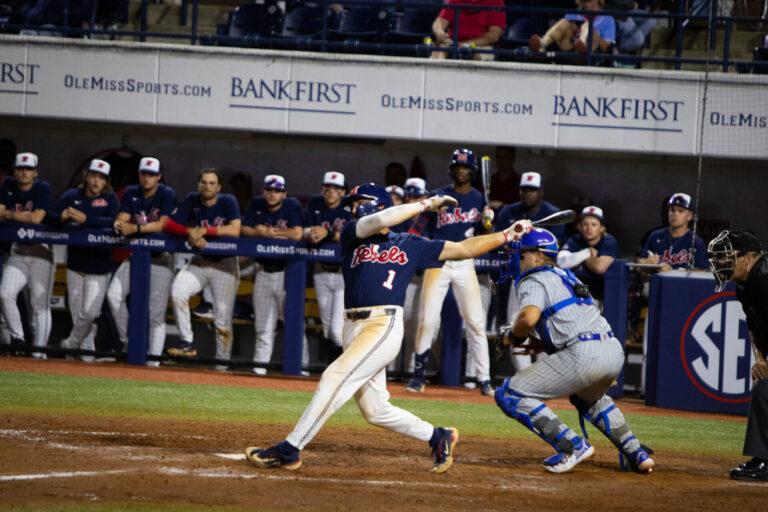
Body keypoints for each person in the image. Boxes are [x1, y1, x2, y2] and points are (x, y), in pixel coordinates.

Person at [244, 183, 531, 472]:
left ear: (380, 203)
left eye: (360, 201)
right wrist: (424, 205)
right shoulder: (353, 234)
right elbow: (380, 219)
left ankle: (289, 449)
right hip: (352, 327)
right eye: (353, 204)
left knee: (334, 376)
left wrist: (506, 235)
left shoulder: (410, 243)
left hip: (383, 325)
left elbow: (463, 248)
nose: (354, 208)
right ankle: (438, 436)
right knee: (375, 410)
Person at [495, 226, 655, 474]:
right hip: (611, 350)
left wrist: (510, 336)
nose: (517, 258)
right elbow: (572, 320)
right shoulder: (567, 276)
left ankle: (571, 445)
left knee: (508, 393)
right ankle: (636, 452)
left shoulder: (533, 277)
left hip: (583, 355)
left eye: (522, 254)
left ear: (538, 256)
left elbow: (528, 318)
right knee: (588, 398)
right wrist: (542, 344)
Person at [406, 149, 496, 396]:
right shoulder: (439, 195)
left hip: (465, 262)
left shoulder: (479, 199)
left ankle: (485, 380)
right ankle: (418, 376)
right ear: (452, 169)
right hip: (439, 260)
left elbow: (484, 237)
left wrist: (488, 223)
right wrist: (410, 247)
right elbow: (420, 226)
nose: (461, 171)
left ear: (472, 171)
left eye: (465, 168)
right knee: (427, 320)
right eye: (457, 167)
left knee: (476, 322)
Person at [163, 168, 241, 368]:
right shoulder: (192, 199)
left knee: (222, 319)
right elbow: (169, 225)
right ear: (199, 185)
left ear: (219, 187)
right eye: (204, 182)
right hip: (201, 261)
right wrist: (191, 231)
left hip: (225, 264)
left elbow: (235, 229)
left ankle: (222, 365)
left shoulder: (228, 201)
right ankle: (187, 341)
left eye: (212, 183)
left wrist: (204, 230)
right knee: (178, 291)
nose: (207, 186)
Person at [707, 230, 768, 481]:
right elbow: (754, 328)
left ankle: (764, 461)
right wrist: (761, 360)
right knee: (763, 387)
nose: (721, 263)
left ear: (747, 258)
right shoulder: (745, 286)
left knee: (765, 390)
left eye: (727, 256)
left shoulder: (764, 281)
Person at [107, 157, 177, 366]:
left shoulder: (167, 193)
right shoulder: (131, 192)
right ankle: (131, 341)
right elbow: (122, 216)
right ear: (139, 174)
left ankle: (153, 361)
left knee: (156, 314)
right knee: (113, 296)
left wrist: (135, 228)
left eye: (151, 174)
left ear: (159, 176)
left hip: (161, 259)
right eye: (144, 173)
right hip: (136, 255)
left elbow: (164, 224)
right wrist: (119, 224)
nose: (147, 178)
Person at [495, 171, 566, 372]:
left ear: (540, 191)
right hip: (518, 276)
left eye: (532, 190)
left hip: (546, 279)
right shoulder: (509, 212)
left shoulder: (551, 212)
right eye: (525, 189)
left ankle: (543, 378)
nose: (528, 193)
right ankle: (525, 376)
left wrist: (527, 239)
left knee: (546, 327)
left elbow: (553, 249)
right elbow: (498, 240)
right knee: (515, 324)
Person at [240, 174, 306, 375]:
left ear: (284, 194)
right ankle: (259, 369)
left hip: (287, 275)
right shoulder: (256, 203)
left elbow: (297, 233)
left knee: (294, 324)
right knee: (263, 327)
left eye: (277, 191)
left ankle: (302, 367)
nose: (272, 194)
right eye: (269, 190)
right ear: (263, 191)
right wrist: (259, 233)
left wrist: (270, 233)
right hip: (262, 272)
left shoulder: (291, 205)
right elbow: (244, 228)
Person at [58, 159, 119, 361]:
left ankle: (70, 345)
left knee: (91, 314)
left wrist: (87, 220)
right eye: (93, 175)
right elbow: (51, 215)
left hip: (99, 266)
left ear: (106, 181)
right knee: (78, 316)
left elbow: (115, 220)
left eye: (101, 178)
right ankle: (86, 358)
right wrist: (61, 216)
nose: (96, 181)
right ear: (86, 176)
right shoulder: (72, 196)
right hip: (76, 264)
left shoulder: (110, 199)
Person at [0, 152, 54, 357]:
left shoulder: (42, 188)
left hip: (40, 250)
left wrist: (9, 214)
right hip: (18, 250)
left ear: (35, 172)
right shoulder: (7, 185)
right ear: (14, 171)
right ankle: (19, 339)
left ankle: (39, 354)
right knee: (5, 294)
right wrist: (22, 216)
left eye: (29, 169)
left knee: (39, 306)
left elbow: (37, 217)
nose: (24, 173)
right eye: (20, 169)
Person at [304, 171, 353, 362]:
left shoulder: (349, 208)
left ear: (343, 191)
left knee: (336, 330)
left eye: (336, 188)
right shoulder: (316, 204)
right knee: (326, 329)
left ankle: (343, 369)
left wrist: (329, 233)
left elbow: (354, 234)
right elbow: (303, 229)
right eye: (328, 187)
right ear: (322, 188)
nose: (331, 191)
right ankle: (330, 368)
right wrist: (310, 233)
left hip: (342, 274)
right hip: (321, 271)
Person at [556, 206, 618, 305]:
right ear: (579, 226)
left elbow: (599, 267)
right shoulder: (574, 239)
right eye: (585, 224)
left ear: (602, 228)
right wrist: (587, 252)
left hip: (602, 294)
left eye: (594, 224)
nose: (589, 228)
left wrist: (580, 257)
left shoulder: (609, 241)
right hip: (578, 292)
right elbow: (560, 262)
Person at [637, 192, 708, 271]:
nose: (675, 214)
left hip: (680, 279)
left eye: (680, 211)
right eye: (672, 210)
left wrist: (673, 271)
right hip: (657, 278)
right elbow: (639, 261)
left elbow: (704, 271)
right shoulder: (655, 236)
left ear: (689, 216)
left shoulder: (696, 242)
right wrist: (647, 262)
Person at [529, 0, 616, 55]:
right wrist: (573, 30)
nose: (586, 2)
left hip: (591, 51)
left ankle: (581, 49)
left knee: (587, 26)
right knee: (564, 22)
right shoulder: (572, 14)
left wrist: (593, 34)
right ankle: (543, 43)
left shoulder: (608, 19)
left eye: (589, 1)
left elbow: (607, 46)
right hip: (568, 46)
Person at [431, 0, 506, 60]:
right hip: (454, 43)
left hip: (480, 45)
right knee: (439, 50)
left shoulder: (496, 2)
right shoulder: (454, 1)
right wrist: (439, 31)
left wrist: (465, 45)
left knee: (468, 54)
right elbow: (440, 21)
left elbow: (494, 35)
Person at [488, 146, 521, 211]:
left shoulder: (519, 182)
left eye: (505, 157)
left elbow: (523, 208)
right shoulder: (489, 181)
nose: (501, 161)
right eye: (498, 157)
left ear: (513, 158)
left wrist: (502, 206)